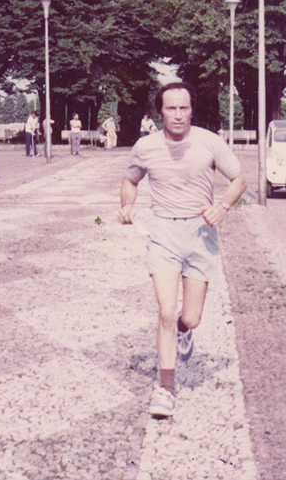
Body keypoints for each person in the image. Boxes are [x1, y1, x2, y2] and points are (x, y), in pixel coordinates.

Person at [117, 82, 246, 418]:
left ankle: (184, 330)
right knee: (163, 311)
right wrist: (127, 205)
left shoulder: (210, 142)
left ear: (192, 110)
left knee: (189, 316)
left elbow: (239, 180)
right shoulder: (145, 147)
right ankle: (167, 389)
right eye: (170, 108)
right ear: (160, 111)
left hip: (201, 232)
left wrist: (223, 206)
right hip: (163, 231)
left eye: (183, 108)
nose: (177, 114)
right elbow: (130, 180)